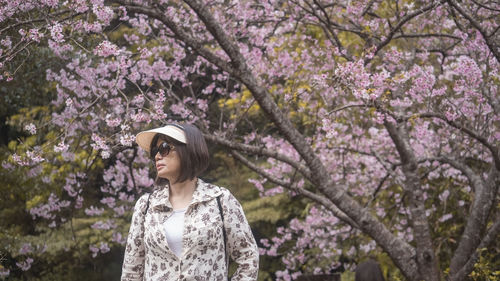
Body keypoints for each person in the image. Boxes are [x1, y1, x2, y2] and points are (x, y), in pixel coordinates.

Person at [121, 123, 259, 281]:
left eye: (164, 148)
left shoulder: (220, 200)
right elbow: (131, 270)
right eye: (155, 151)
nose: (158, 156)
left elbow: (249, 258)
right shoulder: (146, 206)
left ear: (189, 151)